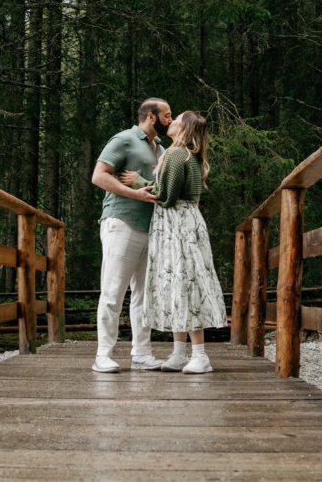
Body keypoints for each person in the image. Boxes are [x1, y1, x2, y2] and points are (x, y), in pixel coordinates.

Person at [119, 111, 226, 373]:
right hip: (184, 222)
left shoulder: (178, 154)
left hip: (177, 223)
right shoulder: (191, 155)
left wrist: (139, 182)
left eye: (176, 119)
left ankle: (200, 356)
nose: (172, 122)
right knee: (180, 284)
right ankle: (179, 353)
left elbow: (165, 196)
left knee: (186, 283)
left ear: (185, 128)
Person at [88, 98, 171, 373]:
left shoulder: (161, 148)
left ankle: (142, 354)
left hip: (151, 229)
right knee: (113, 291)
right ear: (150, 116)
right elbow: (99, 176)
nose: (170, 121)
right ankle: (103, 355)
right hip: (121, 222)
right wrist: (134, 193)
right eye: (166, 115)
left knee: (144, 296)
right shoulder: (124, 139)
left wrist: (142, 185)